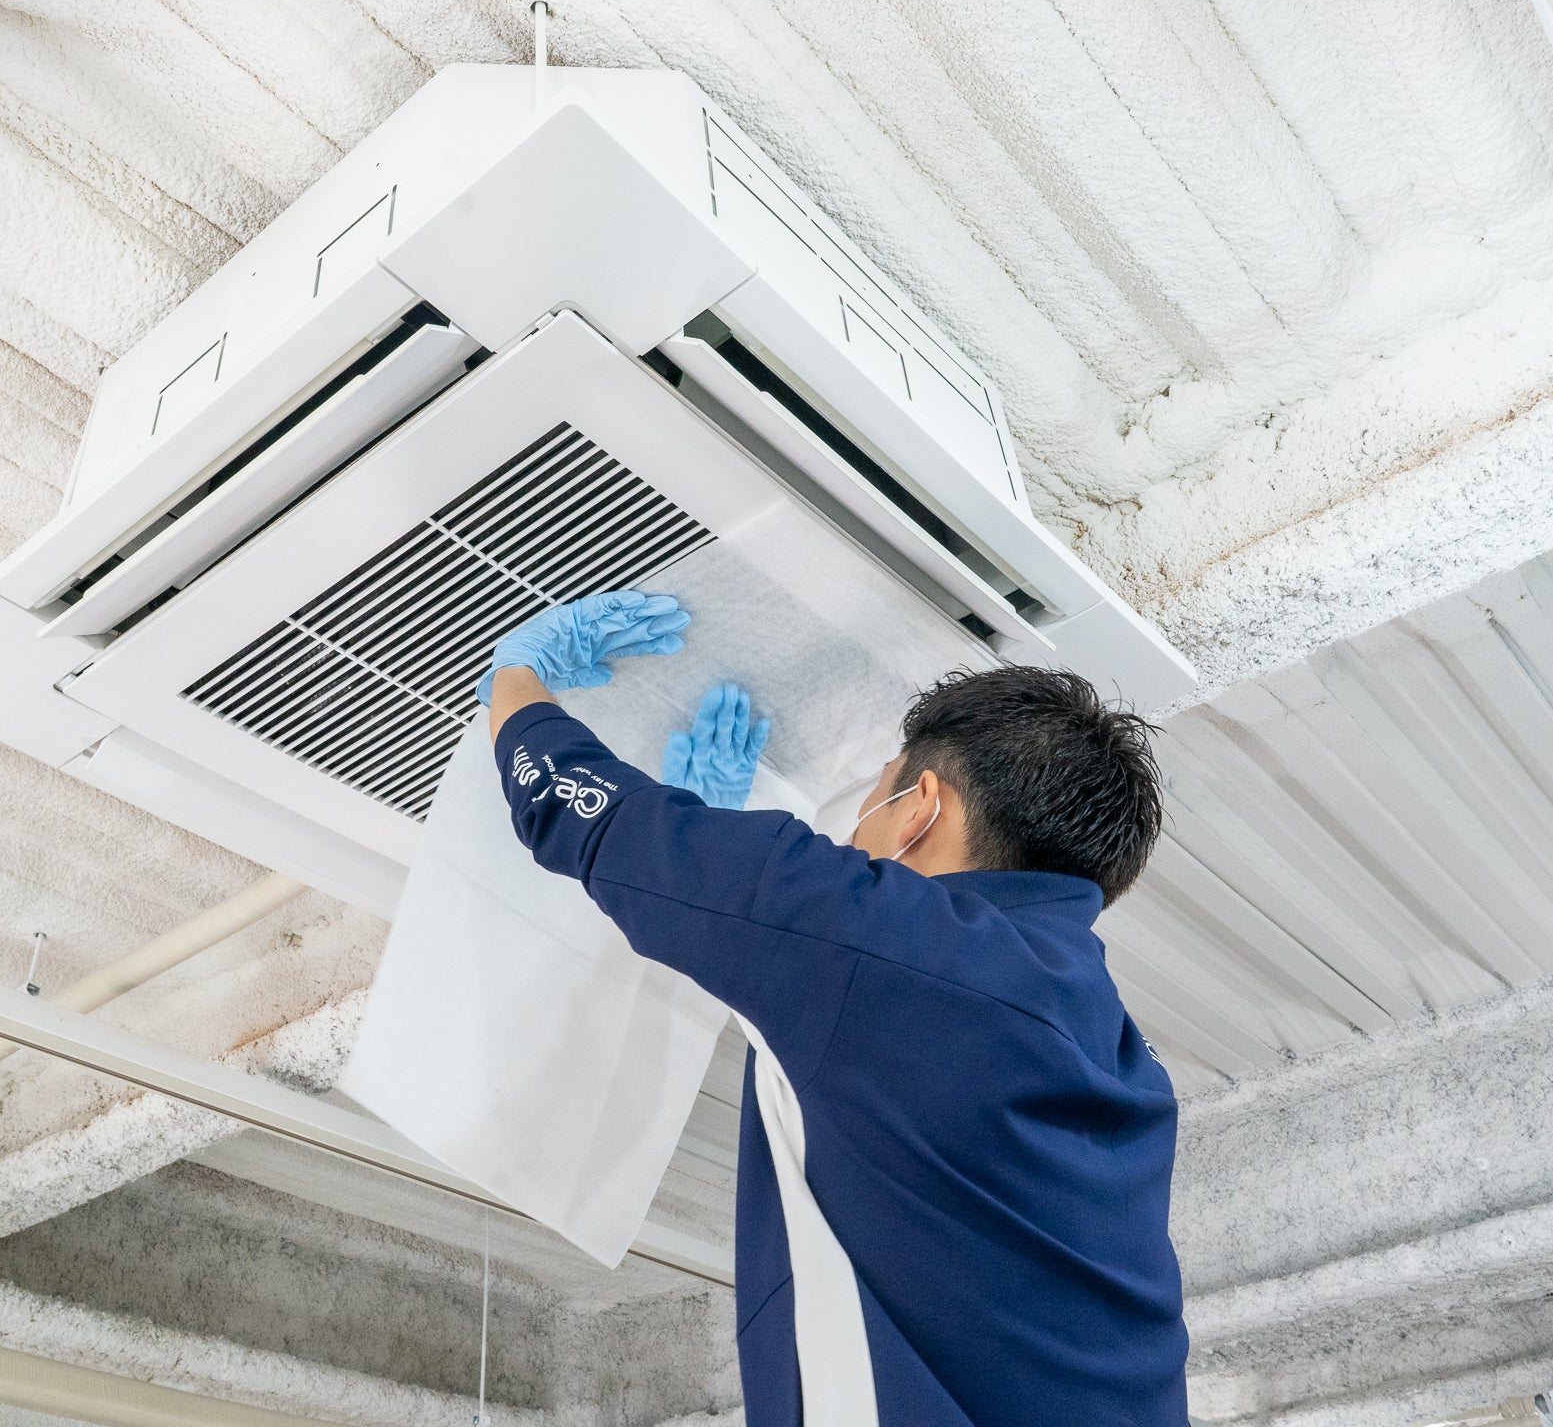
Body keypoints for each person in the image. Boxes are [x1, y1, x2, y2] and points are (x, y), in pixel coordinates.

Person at [476, 590, 1189, 1426]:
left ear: (920, 808)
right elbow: (865, 1047)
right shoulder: (1118, 1053)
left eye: (866, 812)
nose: (853, 843)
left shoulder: (902, 949)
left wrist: (515, 677)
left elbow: (590, 816)